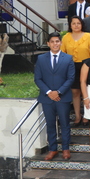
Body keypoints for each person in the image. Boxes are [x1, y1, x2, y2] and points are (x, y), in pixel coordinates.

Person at [34, 32, 75, 161]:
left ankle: (65, 149)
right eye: (52, 42)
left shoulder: (68, 58)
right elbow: (38, 79)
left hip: (63, 97)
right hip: (47, 98)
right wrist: (49, 92)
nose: (55, 44)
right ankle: (52, 149)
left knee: (64, 123)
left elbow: (70, 78)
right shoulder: (41, 59)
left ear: (61, 43)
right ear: (48, 44)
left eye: (57, 41)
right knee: (50, 124)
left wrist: (58, 92)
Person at [61, 16, 90, 127]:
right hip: (71, 66)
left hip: (86, 65)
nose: (76, 25)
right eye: (73, 23)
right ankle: (78, 116)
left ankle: (86, 116)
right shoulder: (66, 37)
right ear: (70, 25)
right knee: (75, 92)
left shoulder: (88, 37)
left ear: (82, 24)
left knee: (86, 92)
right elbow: (62, 54)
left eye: (78, 23)